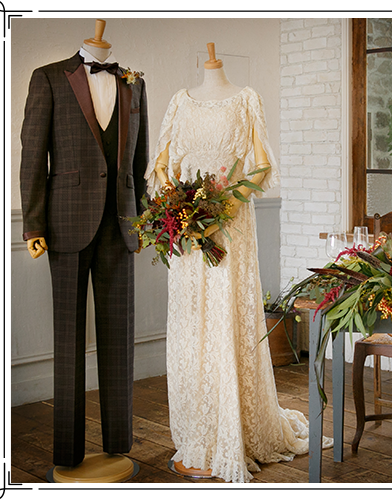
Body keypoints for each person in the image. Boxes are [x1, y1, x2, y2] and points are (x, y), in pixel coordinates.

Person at [145, 43, 331, 483]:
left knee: (227, 317)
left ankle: (234, 430)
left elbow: (262, 167)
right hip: (189, 237)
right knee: (192, 327)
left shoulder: (247, 99)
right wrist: (180, 209)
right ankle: (198, 432)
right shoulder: (179, 102)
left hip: (230, 226)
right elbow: (162, 166)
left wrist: (224, 206)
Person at [20, 19, 148, 470]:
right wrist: (33, 224)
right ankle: (68, 451)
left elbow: (139, 159)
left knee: (119, 340)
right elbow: (32, 155)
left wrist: (143, 221)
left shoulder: (134, 82)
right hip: (65, 224)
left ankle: (118, 442)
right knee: (68, 340)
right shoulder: (48, 78)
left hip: (121, 225)